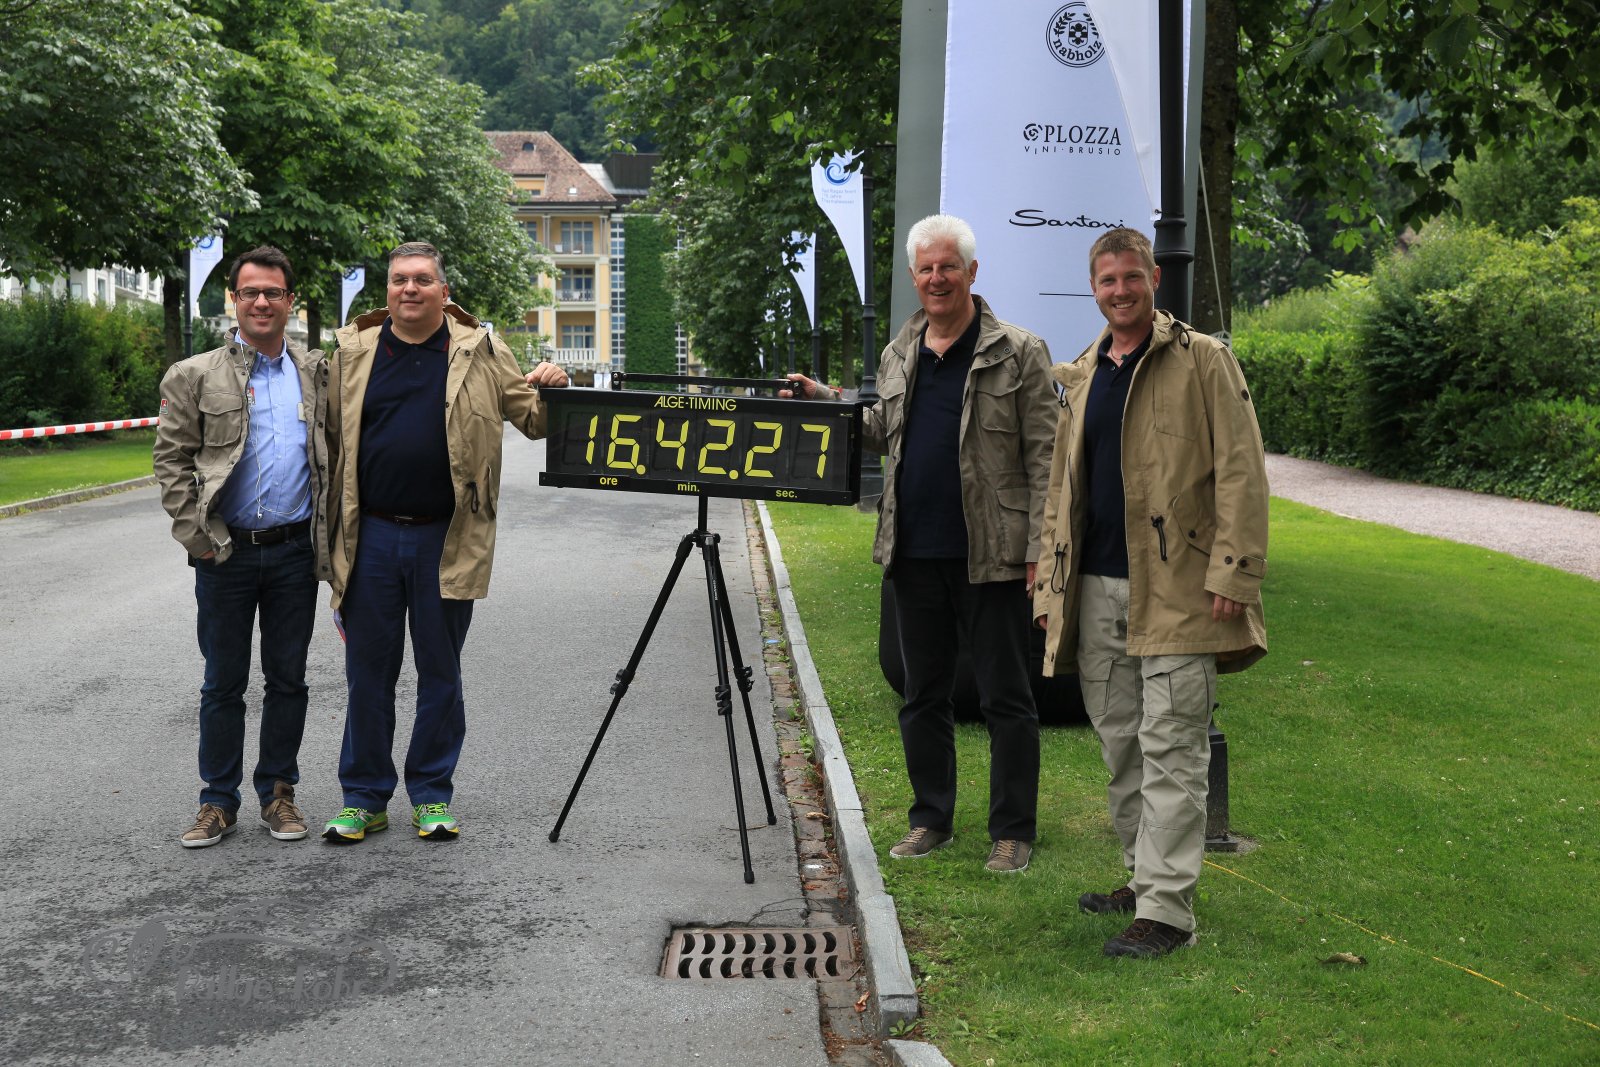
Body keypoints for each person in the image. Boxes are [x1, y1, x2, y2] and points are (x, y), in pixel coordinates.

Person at [786, 214, 1057, 873]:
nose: (938, 278)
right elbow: (885, 428)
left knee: (1006, 698)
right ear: (914, 276)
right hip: (912, 551)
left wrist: (1041, 552)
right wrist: (829, 400)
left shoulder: (1019, 351)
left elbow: (1047, 459)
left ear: (972, 271)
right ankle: (930, 819)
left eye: (949, 266)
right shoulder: (901, 349)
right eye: (927, 268)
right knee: (923, 695)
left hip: (993, 555)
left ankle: (1012, 831)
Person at [1033, 226, 1269, 958]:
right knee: (1123, 746)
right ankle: (1143, 879)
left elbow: (1242, 468)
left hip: (1178, 589)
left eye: (1131, 276)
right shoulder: (1084, 372)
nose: (1120, 291)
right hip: (1096, 589)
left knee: (1172, 747)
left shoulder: (1203, 360)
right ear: (1094, 288)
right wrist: (1048, 582)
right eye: (1107, 280)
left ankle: (1167, 912)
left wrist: (1234, 569)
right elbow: (1060, 488)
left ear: (1153, 280)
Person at [321, 241, 569, 844]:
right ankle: (363, 798)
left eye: (422, 280)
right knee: (367, 675)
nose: (409, 289)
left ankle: (432, 794)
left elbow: (535, 420)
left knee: (440, 672)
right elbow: (320, 436)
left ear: (444, 292)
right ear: (386, 291)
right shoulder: (352, 352)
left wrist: (556, 384)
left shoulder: (481, 351)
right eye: (399, 279)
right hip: (370, 536)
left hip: (448, 537)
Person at [154, 245, 331, 848]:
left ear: (290, 301)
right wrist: (198, 539)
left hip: (294, 552)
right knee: (222, 683)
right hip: (225, 553)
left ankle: (278, 793)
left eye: (273, 292)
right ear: (234, 299)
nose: (261, 302)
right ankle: (217, 801)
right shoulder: (194, 374)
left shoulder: (317, 373)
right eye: (250, 292)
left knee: (288, 680)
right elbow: (171, 463)